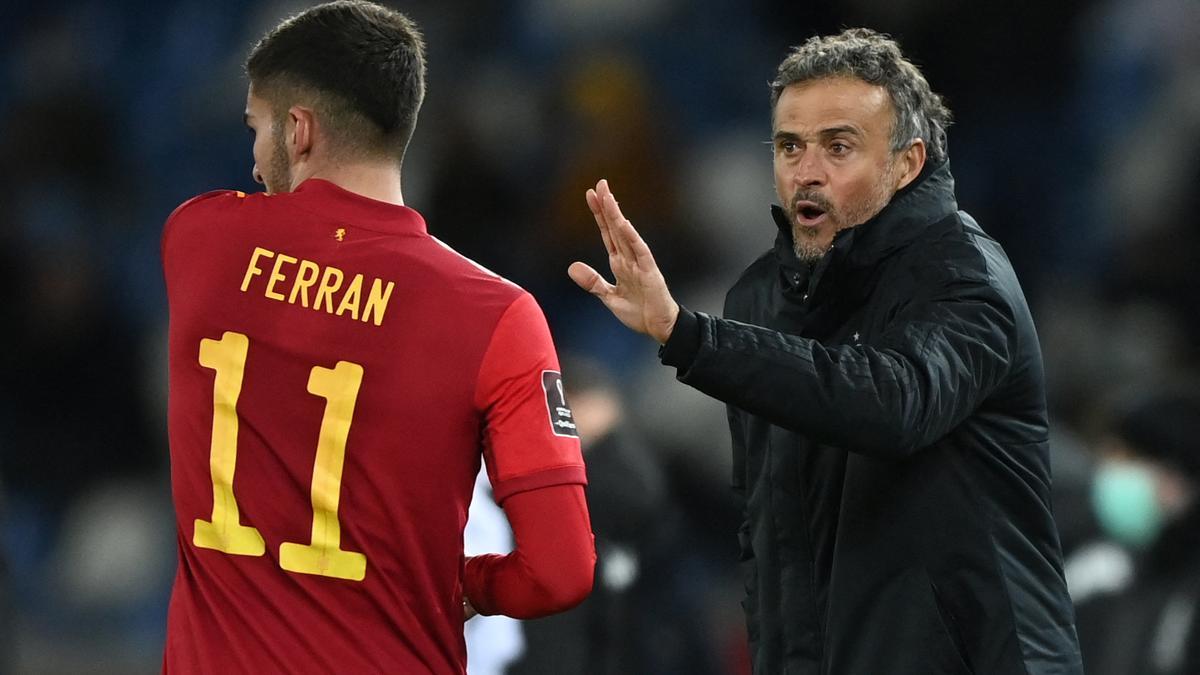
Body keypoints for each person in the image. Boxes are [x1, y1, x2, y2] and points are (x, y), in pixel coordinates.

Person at [569, 28, 1082, 674]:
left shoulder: (964, 277)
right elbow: (776, 546)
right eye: (790, 147)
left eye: (839, 146)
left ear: (908, 162)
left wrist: (689, 336)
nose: (806, 172)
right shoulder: (764, 298)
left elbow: (893, 403)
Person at [161, 2, 594, 673]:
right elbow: (560, 571)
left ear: (298, 130)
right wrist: (468, 582)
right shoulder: (498, 314)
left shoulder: (198, 241)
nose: (251, 160)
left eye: (257, 128)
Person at [1073, 386, 1200, 675]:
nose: (1109, 474)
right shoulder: (1103, 572)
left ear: (1175, 479)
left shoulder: (1186, 589)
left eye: (1127, 460)